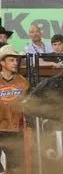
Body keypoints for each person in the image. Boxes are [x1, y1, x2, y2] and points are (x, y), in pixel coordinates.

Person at [0, 45, 32, 173]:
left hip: (15, 130)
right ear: (2, 62)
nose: (15, 63)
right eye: (11, 60)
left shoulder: (23, 82)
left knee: (15, 167)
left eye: (16, 60)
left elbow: (29, 105)